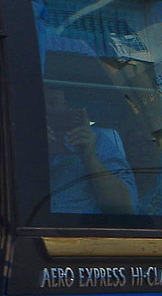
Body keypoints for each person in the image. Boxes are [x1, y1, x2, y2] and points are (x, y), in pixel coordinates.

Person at [44, 85, 136, 215]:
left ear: (66, 107)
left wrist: (89, 157)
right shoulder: (12, 139)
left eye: (52, 103)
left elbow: (125, 209)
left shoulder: (96, 140)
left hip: (81, 231)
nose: (46, 110)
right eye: (39, 105)